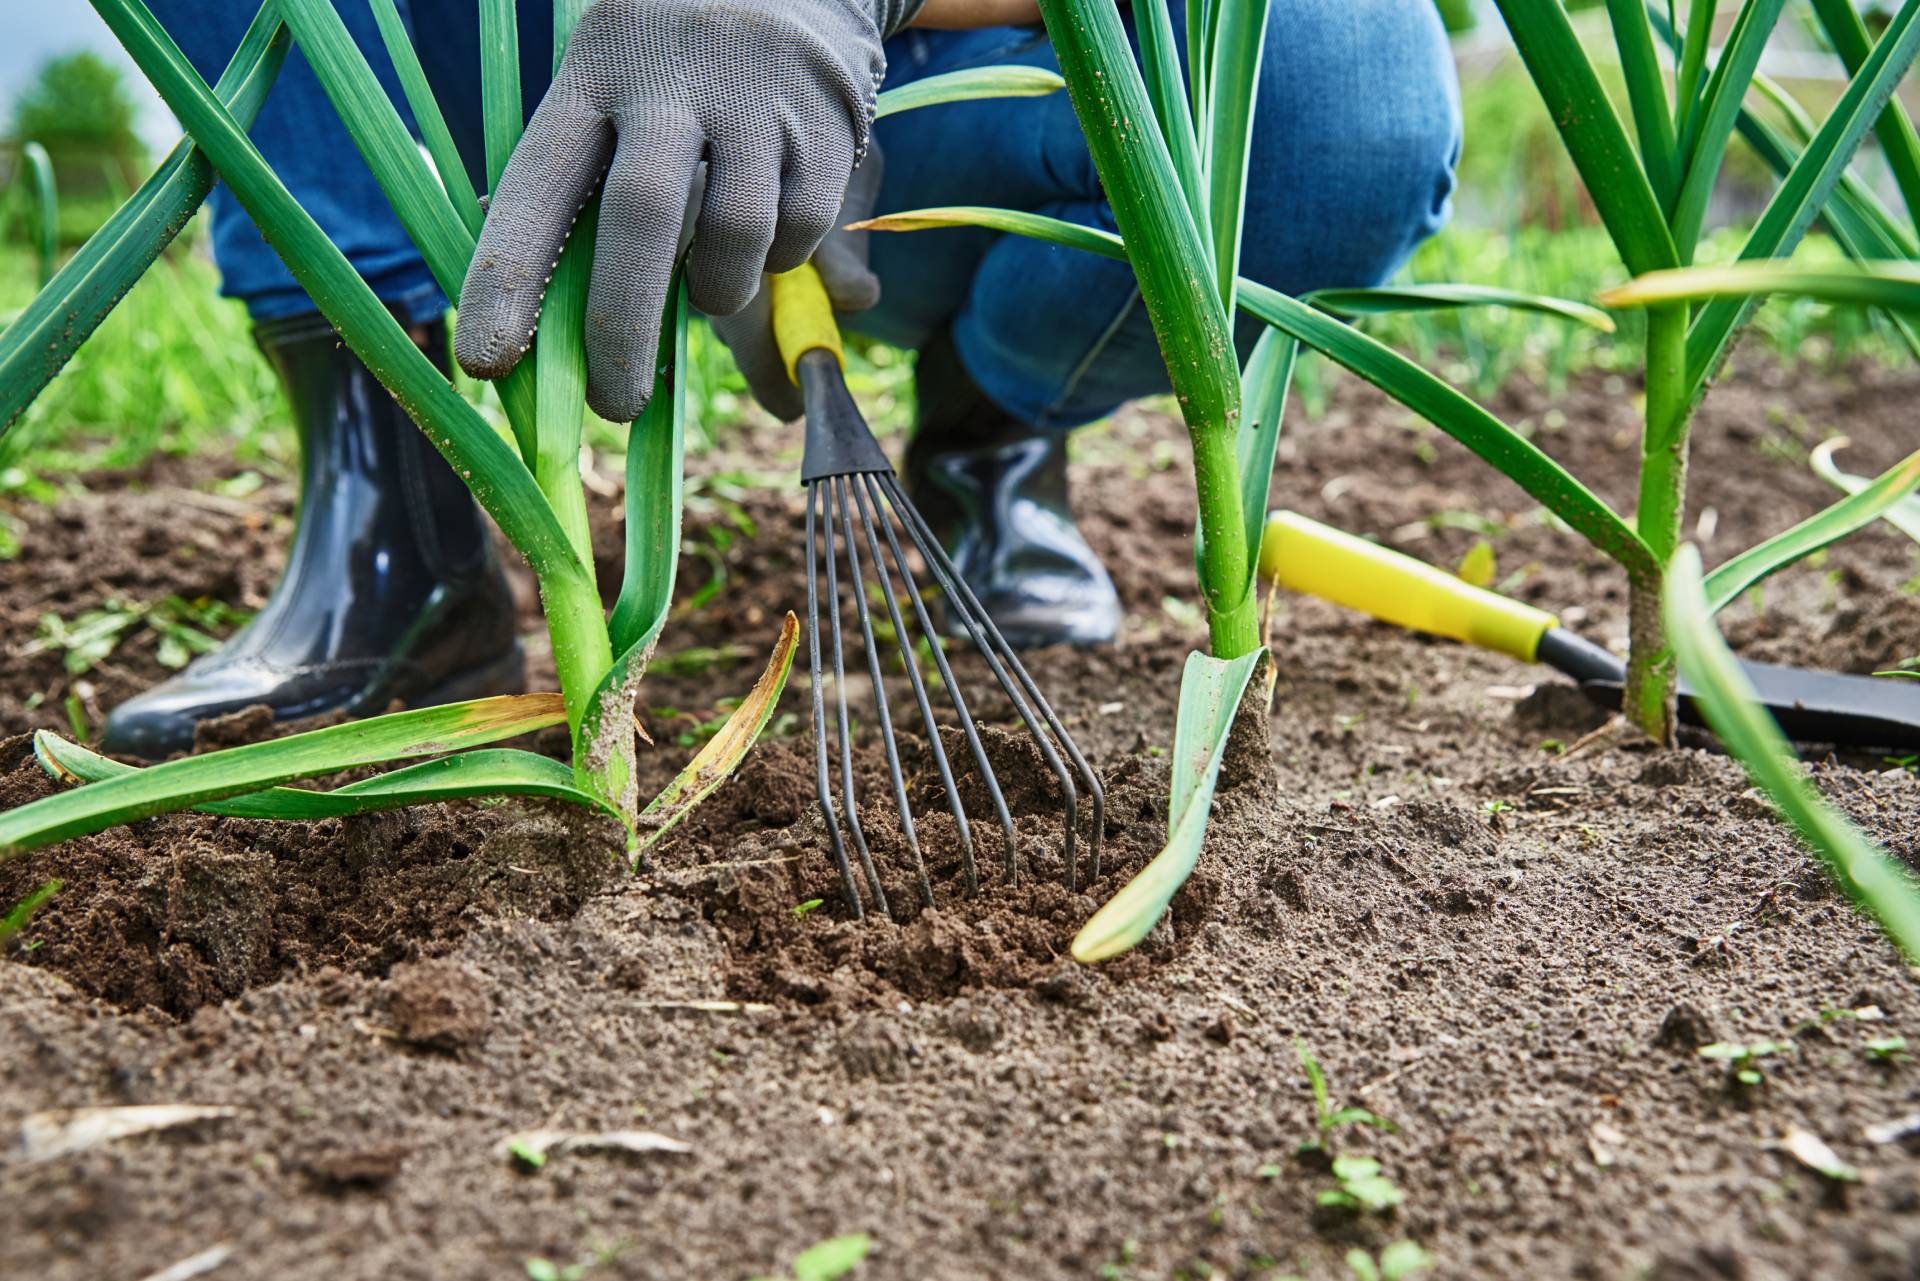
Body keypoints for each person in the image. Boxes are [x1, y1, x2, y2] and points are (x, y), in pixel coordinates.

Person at [104, 0, 1460, 757]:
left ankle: (990, 432)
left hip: (980, 74)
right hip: (524, 73)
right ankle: (399, 524)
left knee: (1347, 98)